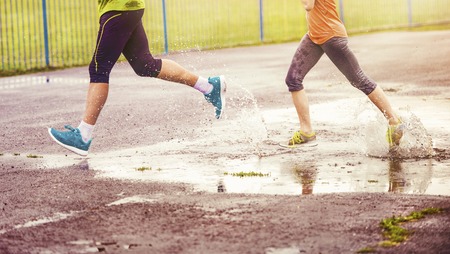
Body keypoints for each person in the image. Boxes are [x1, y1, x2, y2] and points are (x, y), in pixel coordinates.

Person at [48, 0, 226, 156]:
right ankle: (209, 86)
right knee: (144, 65)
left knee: (98, 69)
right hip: (129, 7)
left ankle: (83, 134)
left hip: (119, 8)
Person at [283, 0, 404, 149]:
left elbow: (309, 5)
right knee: (293, 79)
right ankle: (306, 131)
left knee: (359, 79)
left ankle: (394, 121)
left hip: (330, 36)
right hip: (315, 35)